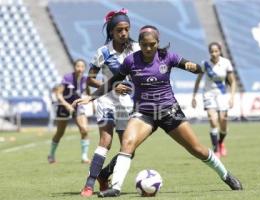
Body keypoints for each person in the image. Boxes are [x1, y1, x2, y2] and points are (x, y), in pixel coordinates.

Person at [73, 25, 243, 197]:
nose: (148, 48)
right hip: (143, 113)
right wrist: (91, 97)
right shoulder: (131, 61)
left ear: (157, 43)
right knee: (127, 143)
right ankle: (115, 188)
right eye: (144, 44)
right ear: (139, 43)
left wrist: (195, 67)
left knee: (197, 149)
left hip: (170, 111)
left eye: (152, 44)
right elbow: (112, 81)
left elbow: (197, 68)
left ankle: (226, 175)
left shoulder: (168, 57)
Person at [80, 8, 140, 197]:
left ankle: (104, 175)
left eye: (126, 29)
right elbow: (89, 79)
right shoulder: (103, 52)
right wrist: (113, 87)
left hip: (126, 104)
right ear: (111, 32)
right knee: (105, 141)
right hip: (105, 100)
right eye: (119, 30)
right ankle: (89, 184)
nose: (123, 33)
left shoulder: (136, 49)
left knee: (129, 148)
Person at [191, 42, 236, 158]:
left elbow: (232, 81)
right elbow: (198, 80)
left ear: (220, 51)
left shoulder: (226, 63)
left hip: (222, 95)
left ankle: (221, 143)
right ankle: (216, 149)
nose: (214, 53)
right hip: (208, 94)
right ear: (209, 52)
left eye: (216, 51)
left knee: (223, 122)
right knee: (213, 121)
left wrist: (231, 97)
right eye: (212, 51)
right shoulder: (205, 64)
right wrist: (194, 96)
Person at [47, 59, 90, 164]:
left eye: (82, 67)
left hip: (78, 106)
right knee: (60, 132)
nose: (80, 69)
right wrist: (66, 105)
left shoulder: (85, 79)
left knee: (84, 129)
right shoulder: (67, 78)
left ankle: (84, 157)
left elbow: (88, 92)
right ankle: (51, 155)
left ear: (85, 68)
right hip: (63, 107)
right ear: (74, 67)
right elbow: (58, 94)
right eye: (78, 66)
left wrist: (89, 100)